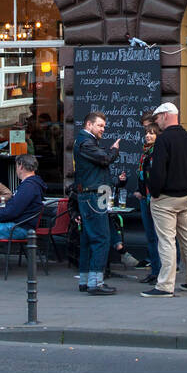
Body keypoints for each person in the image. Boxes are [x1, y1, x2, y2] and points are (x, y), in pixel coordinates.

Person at [141, 101, 187, 298]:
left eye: (157, 118)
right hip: (185, 197)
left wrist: (155, 193)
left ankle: (165, 285)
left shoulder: (163, 140)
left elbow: (157, 172)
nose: (156, 123)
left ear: (166, 116)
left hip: (165, 198)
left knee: (166, 241)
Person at [73, 110, 119, 295]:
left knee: (87, 238)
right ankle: (96, 283)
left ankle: (85, 280)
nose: (103, 129)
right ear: (88, 125)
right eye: (99, 125)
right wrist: (114, 149)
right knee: (102, 238)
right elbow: (105, 159)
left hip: (92, 194)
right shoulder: (85, 142)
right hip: (95, 195)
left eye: (103, 126)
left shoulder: (85, 141)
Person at [132, 120, 161, 284]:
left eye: (152, 133)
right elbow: (143, 177)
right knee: (150, 237)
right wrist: (140, 191)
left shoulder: (155, 153)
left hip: (154, 199)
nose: (148, 136)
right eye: (147, 133)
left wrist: (147, 193)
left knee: (157, 238)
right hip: (145, 198)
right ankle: (154, 271)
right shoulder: (145, 153)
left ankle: (159, 272)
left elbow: (154, 177)